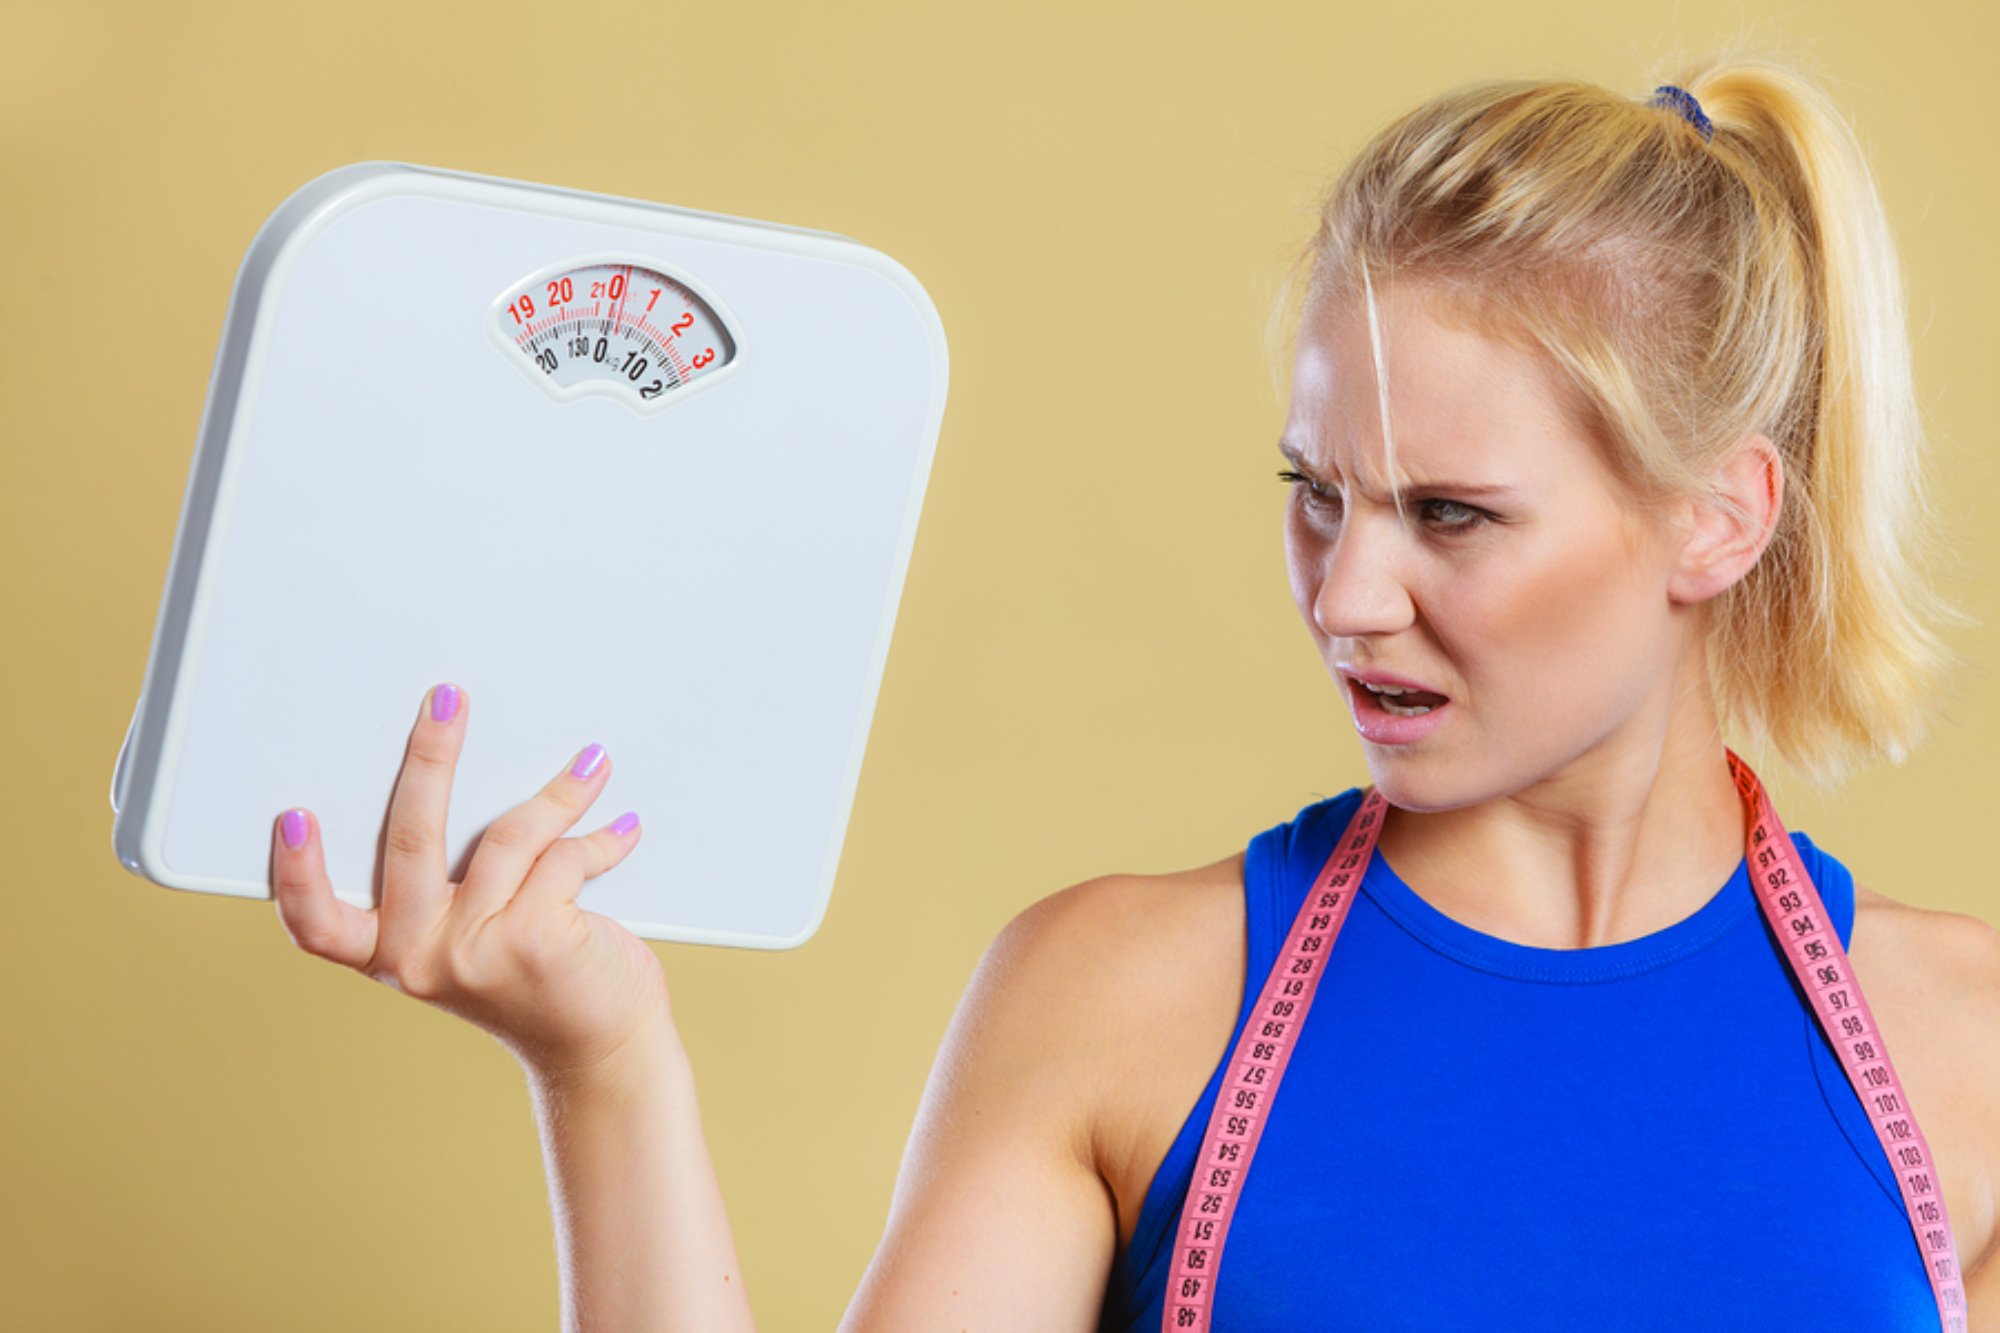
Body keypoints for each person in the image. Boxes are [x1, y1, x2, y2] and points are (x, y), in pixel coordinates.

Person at [267, 52, 2000, 1331]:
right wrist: (602, 1061)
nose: (1348, 595)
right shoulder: (1123, 999)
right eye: (1316, 492)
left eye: (1450, 514)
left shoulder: (1968, 1051)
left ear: (1719, 518)